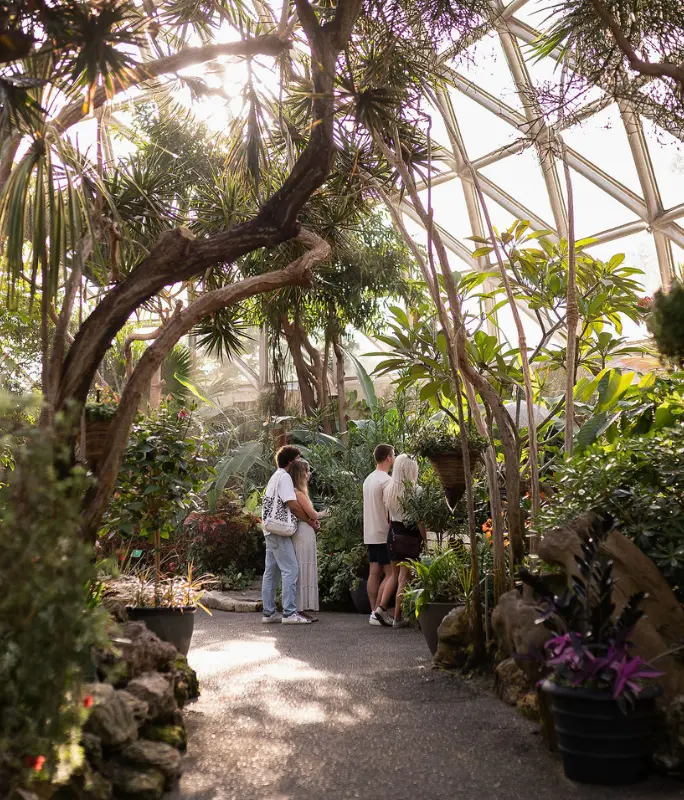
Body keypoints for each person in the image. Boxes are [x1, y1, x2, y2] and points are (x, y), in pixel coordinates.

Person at [261, 445, 318, 625]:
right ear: (291, 461)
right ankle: (289, 613)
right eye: (298, 459)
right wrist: (308, 520)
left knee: (271, 572)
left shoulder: (275, 476)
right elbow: (292, 504)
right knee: (290, 569)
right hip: (280, 530)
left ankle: (269, 612)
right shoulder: (285, 477)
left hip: (269, 528)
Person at [376, 454, 426, 628]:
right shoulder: (416, 490)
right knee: (404, 578)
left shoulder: (389, 488)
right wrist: (425, 539)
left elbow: (387, 516)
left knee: (394, 575)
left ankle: (381, 608)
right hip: (409, 536)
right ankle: (398, 618)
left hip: (393, 534)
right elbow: (420, 520)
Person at [363, 443, 395, 626]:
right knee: (391, 573)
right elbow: (389, 510)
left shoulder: (369, 479)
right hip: (384, 532)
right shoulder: (386, 480)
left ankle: (372, 611)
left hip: (370, 531)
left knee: (374, 572)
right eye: (394, 454)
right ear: (388, 458)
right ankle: (377, 613)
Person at [290, 459, 320, 620]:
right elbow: (313, 514)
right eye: (307, 471)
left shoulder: (296, 492)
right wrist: (315, 517)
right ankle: (299, 607)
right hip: (303, 534)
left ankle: (301, 607)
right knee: (302, 568)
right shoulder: (298, 493)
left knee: (303, 567)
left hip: (304, 532)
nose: (309, 475)